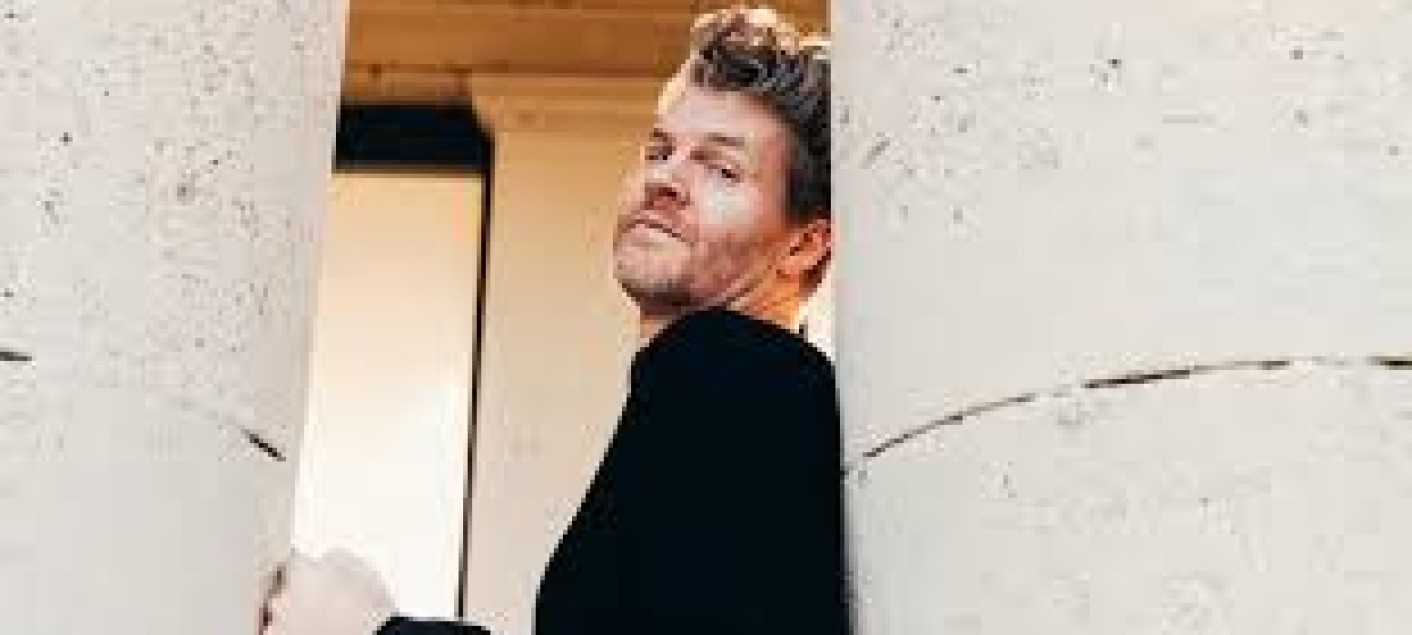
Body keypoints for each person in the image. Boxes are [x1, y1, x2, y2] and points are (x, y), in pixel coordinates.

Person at [263, 5, 847, 634]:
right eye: (659, 150)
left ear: (805, 245)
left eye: (722, 169)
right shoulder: (732, 393)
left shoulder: (734, 371)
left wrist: (371, 632)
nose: (665, 180)